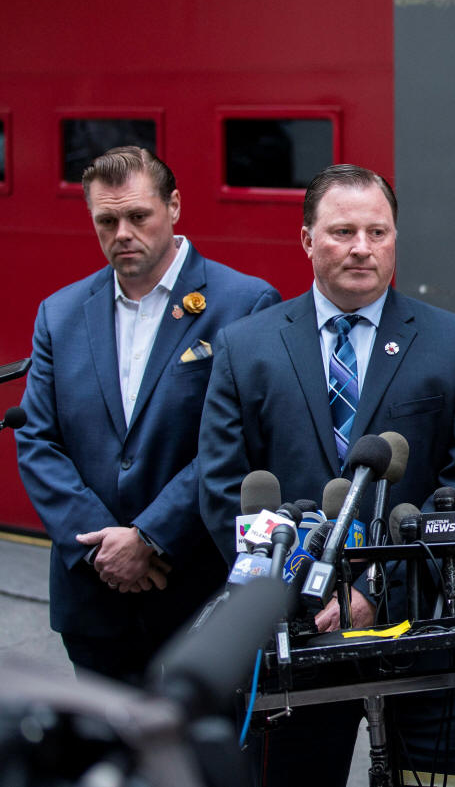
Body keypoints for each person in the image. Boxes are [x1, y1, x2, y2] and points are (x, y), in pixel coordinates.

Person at [199, 163, 455, 786]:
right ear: (306, 239)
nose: (362, 248)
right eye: (343, 232)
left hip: (421, 635)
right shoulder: (245, 347)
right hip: (294, 638)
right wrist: (302, 595)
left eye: (377, 232)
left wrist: (368, 592)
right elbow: (224, 490)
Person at [16, 146, 280, 685]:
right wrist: (104, 549)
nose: (123, 234)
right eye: (106, 221)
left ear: (174, 206)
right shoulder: (59, 314)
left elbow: (240, 445)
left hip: (197, 595)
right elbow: (38, 441)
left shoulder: (245, 304)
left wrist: (150, 537)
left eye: (139, 216)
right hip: (95, 600)